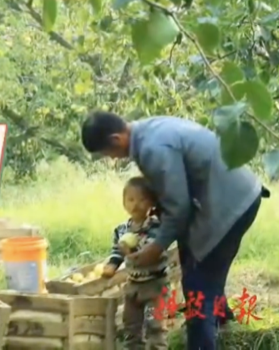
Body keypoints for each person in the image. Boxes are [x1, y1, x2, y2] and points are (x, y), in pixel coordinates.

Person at [81, 112, 268, 350]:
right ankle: (222, 321)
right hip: (239, 193)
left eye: (108, 153)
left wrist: (156, 247)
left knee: (198, 286)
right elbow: (175, 190)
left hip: (230, 203)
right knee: (195, 260)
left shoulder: (152, 148)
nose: (112, 158)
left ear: (116, 140)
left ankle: (203, 341)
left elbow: (179, 209)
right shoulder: (148, 129)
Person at [102, 177, 169, 349]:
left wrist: (131, 251)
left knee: (155, 325)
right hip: (133, 285)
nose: (135, 205)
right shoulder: (121, 230)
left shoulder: (156, 227)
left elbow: (151, 251)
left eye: (141, 200)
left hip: (155, 285)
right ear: (124, 203)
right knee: (131, 325)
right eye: (130, 200)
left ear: (151, 202)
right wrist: (112, 265)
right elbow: (117, 251)